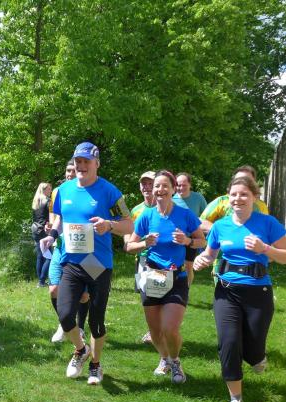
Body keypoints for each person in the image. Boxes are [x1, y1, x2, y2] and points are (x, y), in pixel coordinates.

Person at [193, 174, 286, 402]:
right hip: (226, 291)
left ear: (254, 197)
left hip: (258, 292)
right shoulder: (220, 226)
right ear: (228, 198)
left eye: (244, 194)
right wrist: (201, 260)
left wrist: (265, 249)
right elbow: (210, 254)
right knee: (228, 343)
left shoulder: (267, 223)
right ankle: (235, 400)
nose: (238, 199)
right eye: (233, 194)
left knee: (254, 347)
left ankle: (257, 356)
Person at [40, 142, 133, 385]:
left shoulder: (110, 191)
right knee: (65, 315)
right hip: (72, 261)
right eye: (78, 161)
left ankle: (95, 365)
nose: (81, 166)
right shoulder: (63, 190)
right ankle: (81, 350)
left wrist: (109, 225)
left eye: (86, 161)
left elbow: (129, 225)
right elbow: (60, 218)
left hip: (97, 263)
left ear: (96, 164)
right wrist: (52, 235)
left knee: (96, 321)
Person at [127, 170, 205, 383]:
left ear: (173, 190)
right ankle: (164, 359)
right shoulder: (146, 216)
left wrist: (187, 241)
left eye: (164, 186)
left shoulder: (185, 215)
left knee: (170, 328)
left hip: (177, 276)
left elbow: (202, 241)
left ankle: (176, 361)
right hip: (152, 275)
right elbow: (129, 246)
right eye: (156, 186)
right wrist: (144, 243)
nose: (160, 190)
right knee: (155, 331)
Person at [200, 166, 269, 284]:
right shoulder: (221, 201)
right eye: (239, 179)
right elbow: (200, 222)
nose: (243, 182)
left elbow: (267, 231)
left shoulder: (261, 206)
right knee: (224, 292)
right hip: (224, 260)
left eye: (248, 180)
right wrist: (222, 232)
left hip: (254, 262)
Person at [49, 160, 89, 343]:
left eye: (73, 170)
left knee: (84, 295)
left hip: (83, 250)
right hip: (60, 246)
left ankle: (79, 328)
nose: (70, 174)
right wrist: (51, 232)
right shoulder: (58, 191)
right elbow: (56, 217)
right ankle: (64, 324)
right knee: (53, 289)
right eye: (68, 170)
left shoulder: (88, 191)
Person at [124, 170, 156, 344]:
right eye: (144, 184)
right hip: (142, 258)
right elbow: (128, 231)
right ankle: (154, 331)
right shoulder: (137, 210)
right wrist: (127, 242)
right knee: (146, 297)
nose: (147, 187)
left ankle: (157, 332)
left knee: (157, 295)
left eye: (151, 183)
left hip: (161, 260)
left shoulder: (166, 208)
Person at [172, 172, 208, 286]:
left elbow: (207, 216)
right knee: (174, 265)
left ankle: (186, 290)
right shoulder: (171, 200)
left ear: (190, 185)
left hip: (193, 237)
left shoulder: (198, 198)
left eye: (184, 185)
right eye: (178, 185)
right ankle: (173, 288)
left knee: (188, 266)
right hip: (176, 237)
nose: (181, 188)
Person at [31, 182, 53, 287]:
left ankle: (41, 281)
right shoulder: (48, 201)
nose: (51, 191)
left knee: (40, 256)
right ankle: (41, 281)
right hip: (45, 230)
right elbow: (51, 217)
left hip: (35, 230)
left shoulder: (36, 201)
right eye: (49, 189)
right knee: (49, 257)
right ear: (43, 190)